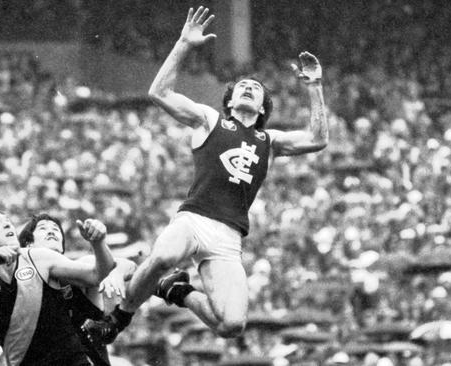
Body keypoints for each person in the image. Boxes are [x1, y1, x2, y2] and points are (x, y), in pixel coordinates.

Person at [83, 5, 328, 343]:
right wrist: (184, 43)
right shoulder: (210, 120)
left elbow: (317, 139)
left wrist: (314, 85)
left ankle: (176, 291)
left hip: (228, 238)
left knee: (232, 325)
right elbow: (160, 93)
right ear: (229, 103)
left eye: (255, 88)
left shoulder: (268, 141)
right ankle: (118, 318)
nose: (247, 87)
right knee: (166, 255)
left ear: (261, 109)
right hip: (194, 218)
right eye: (241, 85)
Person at [0, 212, 137, 366]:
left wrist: (99, 243)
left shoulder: (41, 259)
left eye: (8, 221)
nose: (7, 223)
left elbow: (110, 269)